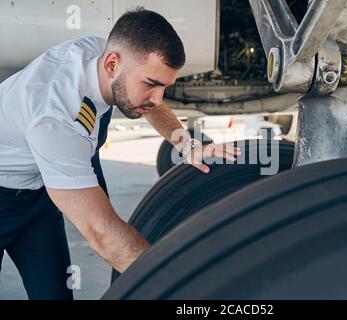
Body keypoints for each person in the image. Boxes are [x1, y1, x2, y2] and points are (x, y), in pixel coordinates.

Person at [0, 7, 240, 300]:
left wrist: (187, 146)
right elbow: (101, 233)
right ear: (112, 64)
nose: (158, 98)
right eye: (151, 84)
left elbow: (150, 102)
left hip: (37, 196)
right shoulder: (53, 116)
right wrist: (181, 284)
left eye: (163, 86)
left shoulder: (101, 54)